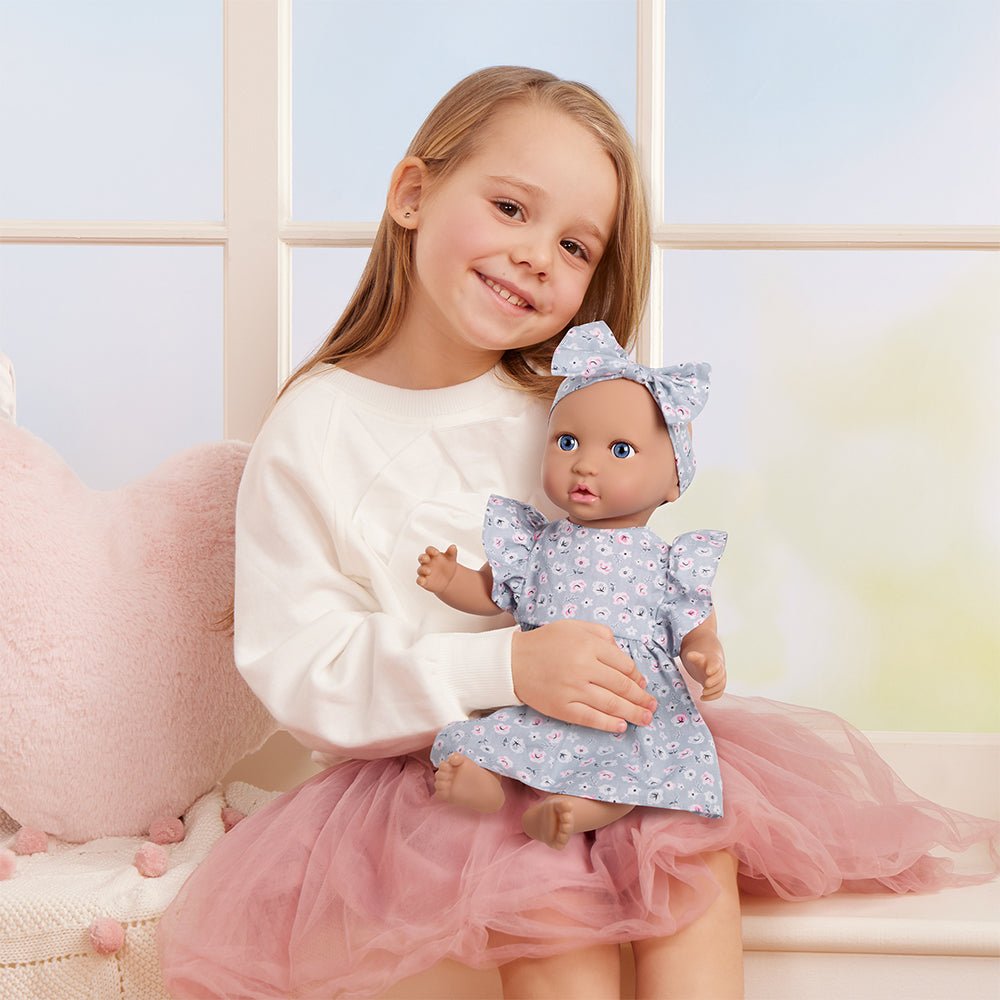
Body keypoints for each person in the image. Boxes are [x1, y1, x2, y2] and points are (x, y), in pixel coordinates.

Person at [157, 66, 997, 1000]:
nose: (535, 257)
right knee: (537, 881)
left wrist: (681, 641)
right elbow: (302, 664)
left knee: (689, 843)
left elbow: (632, 567)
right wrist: (506, 668)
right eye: (511, 208)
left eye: (573, 245)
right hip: (442, 773)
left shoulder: (564, 418)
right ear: (412, 195)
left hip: (613, 744)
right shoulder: (316, 429)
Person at [419, 322, 728, 850]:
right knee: (485, 737)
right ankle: (485, 785)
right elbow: (494, 593)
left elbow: (695, 624)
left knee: (635, 770)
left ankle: (573, 811)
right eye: (567, 442)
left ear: (674, 480)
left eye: (621, 451)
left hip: (627, 700)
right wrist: (452, 580)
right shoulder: (537, 541)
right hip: (545, 689)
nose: (585, 464)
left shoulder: (667, 561)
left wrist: (705, 654)